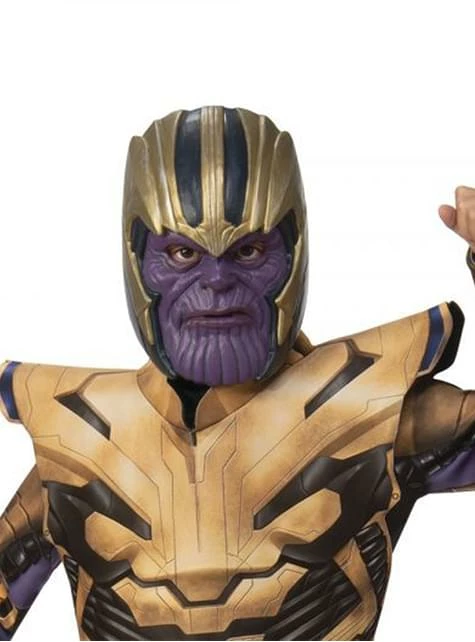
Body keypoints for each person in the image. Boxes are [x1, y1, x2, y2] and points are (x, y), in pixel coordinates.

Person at [0, 106, 474, 641]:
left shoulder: (372, 410)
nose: (217, 280)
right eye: (182, 253)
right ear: (138, 260)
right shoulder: (80, 445)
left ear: (292, 253)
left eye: (248, 250)